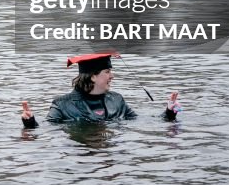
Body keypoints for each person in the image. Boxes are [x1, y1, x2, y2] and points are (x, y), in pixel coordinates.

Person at [21, 52, 180, 128]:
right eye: (107, 72)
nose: (112, 76)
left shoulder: (117, 100)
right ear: (93, 77)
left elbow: (143, 121)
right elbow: (45, 129)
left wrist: (169, 113)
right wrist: (30, 122)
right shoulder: (62, 105)